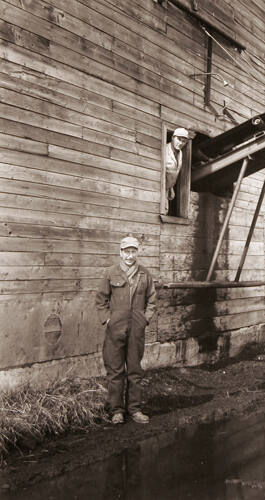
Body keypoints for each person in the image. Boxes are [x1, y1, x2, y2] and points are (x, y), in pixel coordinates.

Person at [95, 236, 156, 424]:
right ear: (121, 252)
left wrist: (145, 319)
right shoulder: (110, 273)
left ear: (137, 252)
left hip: (136, 328)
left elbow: (152, 300)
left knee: (135, 369)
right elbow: (101, 300)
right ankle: (117, 411)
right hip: (116, 328)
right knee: (115, 370)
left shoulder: (145, 274)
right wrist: (107, 320)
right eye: (127, 251)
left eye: (133, 251)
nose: (130, 255)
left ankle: (135, 409)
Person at [164, 127, 191, 214]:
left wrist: (171, 187)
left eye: (184, 141)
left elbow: (173, 173)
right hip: (159, 188)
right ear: (172, 137)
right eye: (179, 139)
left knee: (165, 211)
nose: (181, 143)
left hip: (167, 189)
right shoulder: (164, 150)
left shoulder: (180, 153)